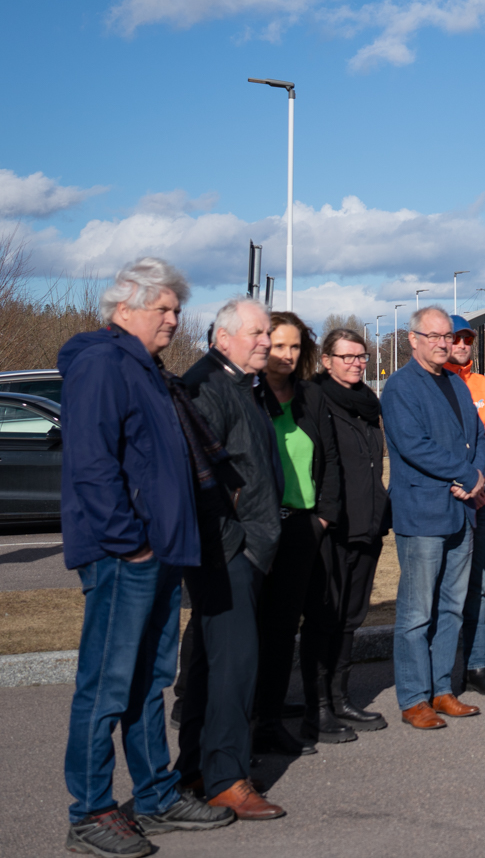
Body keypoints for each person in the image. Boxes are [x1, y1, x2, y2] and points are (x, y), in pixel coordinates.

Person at [58, 258, 235, 857]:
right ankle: (90, 811)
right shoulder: (102, 364)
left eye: (177, 309)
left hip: (160, 551)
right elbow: (91, 463)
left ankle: (156, 797)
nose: (174, 319)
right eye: (164, 308)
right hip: (124, 555)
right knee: (106, 685)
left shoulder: (147, 369)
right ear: (124, 308)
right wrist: (129, 542)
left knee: (148, 681)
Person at [178, 297, 286, 819]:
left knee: (214, 663)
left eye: (268, 332)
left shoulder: (243, 385)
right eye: (256, 333)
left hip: (243, 547)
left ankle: (199, 768)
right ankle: (225, 778)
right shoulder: (207, 386)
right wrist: (234, 544)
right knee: (234, 667)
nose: (267, 341)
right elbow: (199, 479)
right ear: (223, 338)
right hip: (227, 552)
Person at [382, 306, 485, 730]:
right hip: (423, 514)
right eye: (434, 336)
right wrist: (466, 475)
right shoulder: (400, 387)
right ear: (413, 339)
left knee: (451, 608)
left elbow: (477, 436)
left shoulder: (456, 383)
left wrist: (476, 476)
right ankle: (414, 698)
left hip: (461, 511)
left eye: (448, 336)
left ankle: (442, 689)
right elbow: (414, 445)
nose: (444, 343)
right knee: (416, 613)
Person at [254, 311, 347, 752]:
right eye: (278, 346)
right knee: (250, 630)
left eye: (294, 346)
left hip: (303, 526)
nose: (287, 355)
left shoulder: (310, 395)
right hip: (258, 528)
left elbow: (329, 459)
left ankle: (269, 722)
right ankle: (246, 719)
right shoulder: (247, 396)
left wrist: (323, 517)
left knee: (282, 631)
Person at [311, 329, 391, 733]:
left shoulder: (367, 403)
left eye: (361, 356)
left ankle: (340, 698)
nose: (357, 363)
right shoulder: (315, 399)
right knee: (325, 617)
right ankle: (318, 706)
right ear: (326, 360)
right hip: (333, 528)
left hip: (368, 524)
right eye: (347, 357)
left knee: (351, 617)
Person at [441, 314, 485, 698]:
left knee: (478, 588)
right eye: (456, 338)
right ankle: (438, 673)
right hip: (448, 502)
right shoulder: (434, 383)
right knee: (443, 590)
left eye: (467, 339)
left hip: (484, 501)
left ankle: (476, 667)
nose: (462, 345)